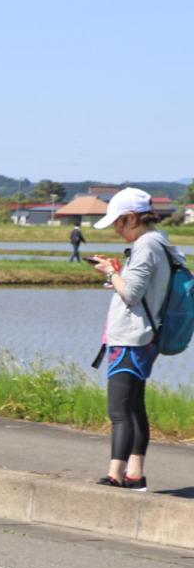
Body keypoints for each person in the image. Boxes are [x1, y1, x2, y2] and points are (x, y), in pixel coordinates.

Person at [89, 188, 186, 492]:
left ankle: (115, 475)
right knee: (134, 407)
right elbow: (139, 289)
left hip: (132, 338)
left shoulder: (145, 247)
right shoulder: (161, 243)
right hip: (147, 336)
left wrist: (109, 272)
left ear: (132, 218)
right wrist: (119, 275)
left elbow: (130, 294)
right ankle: (135, 474)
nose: (116, 229)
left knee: (119, 410)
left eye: (118, 223)